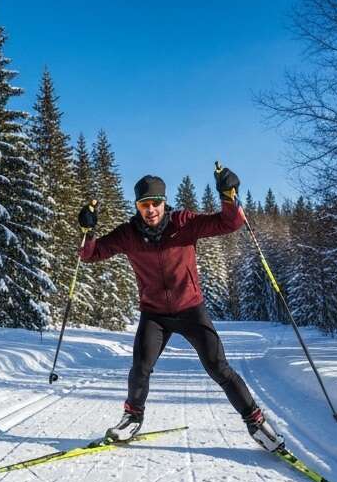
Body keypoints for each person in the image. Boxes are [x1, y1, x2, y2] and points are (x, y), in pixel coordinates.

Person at [77, 164, 283, 452]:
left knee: (218, 367)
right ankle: (132, 419)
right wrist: (88, 230)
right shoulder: (128, 234)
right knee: (140, 367)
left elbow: (230, 223)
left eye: (156, 203)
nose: (151, 210)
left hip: (190, 309)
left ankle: (257, 423)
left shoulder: (183, 223)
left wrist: (227, 195)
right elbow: (91, 254)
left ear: (164, 202)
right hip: (155, 314)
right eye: (144, 204)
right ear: (137, 206)